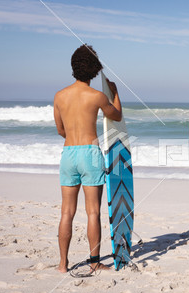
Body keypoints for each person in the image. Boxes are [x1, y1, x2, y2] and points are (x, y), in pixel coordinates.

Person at [53, 44, 122, 273]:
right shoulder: (97, 96)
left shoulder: (59, 96)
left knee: (66, 212)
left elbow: (60, 130)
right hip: (90, 153)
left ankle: (62, 264)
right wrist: (115, 93)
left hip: (69, 153)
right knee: (93, 211)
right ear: (94, 70)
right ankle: (94, 262)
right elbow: (117, 115)